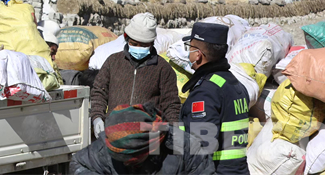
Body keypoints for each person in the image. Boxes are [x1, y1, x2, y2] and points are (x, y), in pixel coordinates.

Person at [90, 13, 181, 138]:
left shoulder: (162, 68)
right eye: (134, 44)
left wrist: (172, 130)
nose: (138, 48)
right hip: (114, 131)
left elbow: (171, 104)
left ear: (152, 43)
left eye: (144, 45)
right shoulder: (113, 62)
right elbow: (99, 92)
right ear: (126, 39)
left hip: (147, 136)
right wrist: (97, 117)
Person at [181, 23, 249, 175]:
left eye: (190, 47)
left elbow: (199, 148)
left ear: (198, 54)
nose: (189, 52)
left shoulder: (205, 92)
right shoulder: (234, 84)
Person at [71, 104, 216, 175]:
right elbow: (79, 164)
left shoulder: (185, 148)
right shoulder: (108, 145)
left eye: (131, 160)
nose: (125, 163)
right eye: (122, 159)